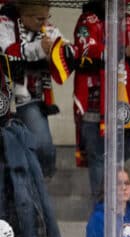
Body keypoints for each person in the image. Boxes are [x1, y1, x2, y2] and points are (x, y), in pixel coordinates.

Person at [72, 1, 130, 200]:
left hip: (122, 106)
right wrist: (124, 51)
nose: (122, 6)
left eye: (125, 3)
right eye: (119, 2)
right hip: (93, 104)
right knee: (97, 156)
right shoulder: (87, 21)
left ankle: (118, 205)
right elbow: (86, 53)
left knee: (126, 148)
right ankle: (101, 207)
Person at [0, 1, 75, 178]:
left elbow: (68, 49)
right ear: (23, 15)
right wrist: (39, 50)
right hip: (5, 99)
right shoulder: (4, 23)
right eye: (39, 18)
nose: (44, 23)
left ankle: (40, 184)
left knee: (44, 147)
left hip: (30, 98)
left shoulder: (47, 29)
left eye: (46, 17)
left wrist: (61, 52)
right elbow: (8, 52)